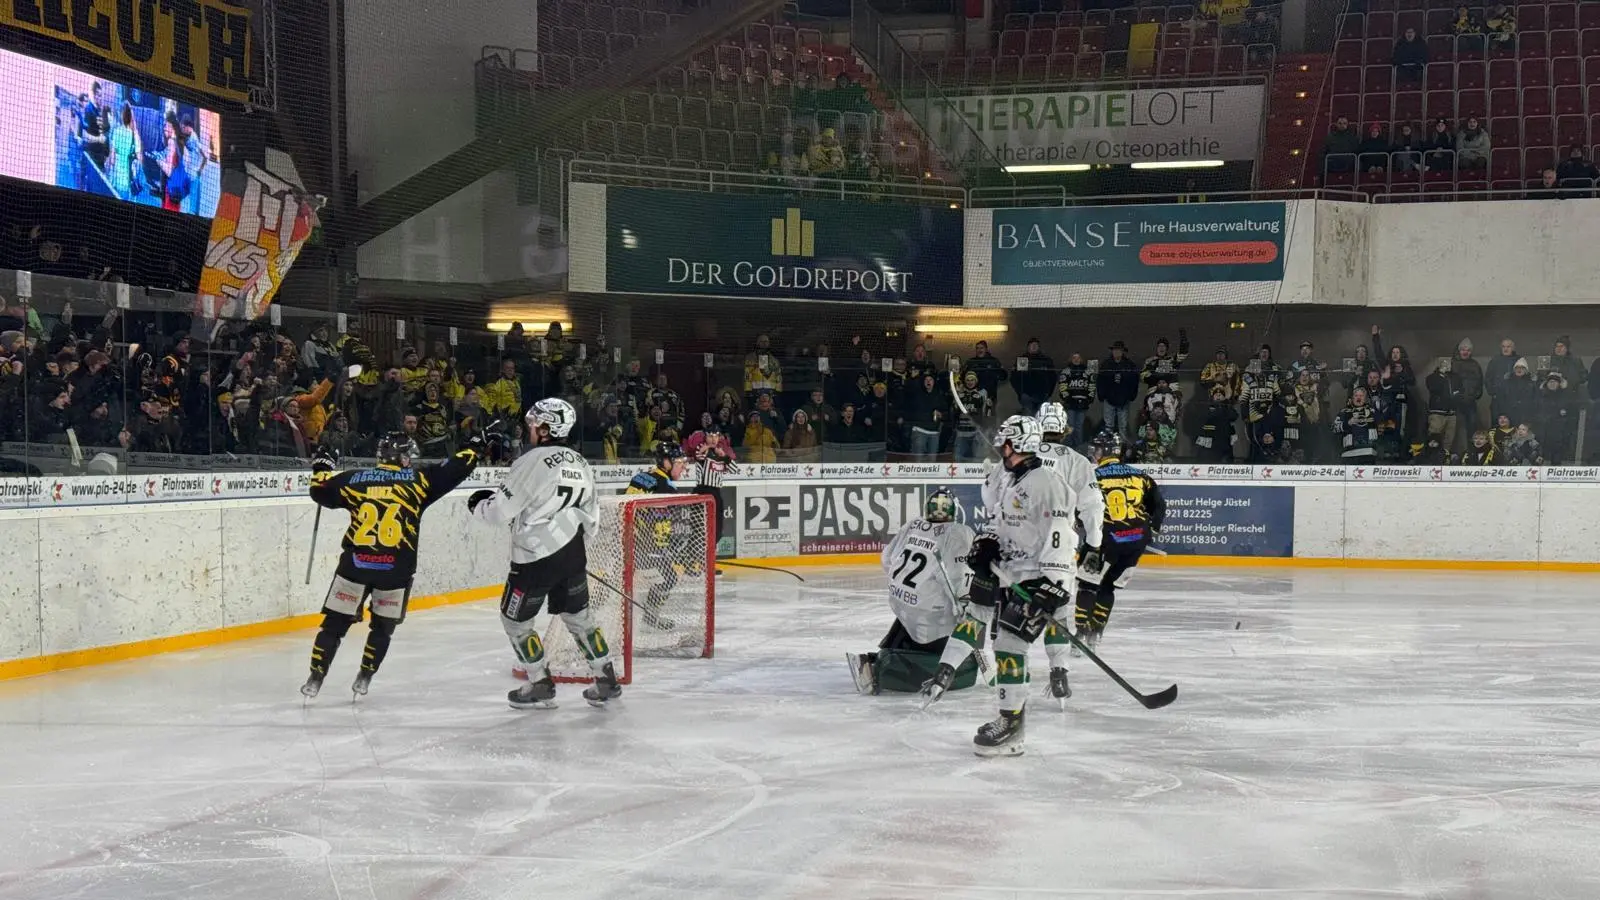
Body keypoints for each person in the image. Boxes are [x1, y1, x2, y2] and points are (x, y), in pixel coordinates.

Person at [300, 432, 481, 699]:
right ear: (405, 457)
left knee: (334, 625)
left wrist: (322, 466)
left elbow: (319, 492)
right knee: (382, 628)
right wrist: (473, 447)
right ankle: (364, 677)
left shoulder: (354, 479)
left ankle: (315, 678)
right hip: (396, 569)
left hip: (355, 565)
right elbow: (457, 467)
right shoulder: (419, 482)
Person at [467, 398, 620, 710]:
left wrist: (477, 504)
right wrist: (570, 550)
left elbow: (500, 512)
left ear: (548, 427)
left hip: (535, 559)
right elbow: (591, 514)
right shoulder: (580, 461)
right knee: (579, 618)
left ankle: (539, 682)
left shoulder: (532, 460)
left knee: (515, 620)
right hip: (574, 552)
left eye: (535, 424)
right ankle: (606, 678)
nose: (531, 429)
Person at [962, 416, 1093, 756]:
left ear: (1015, 446)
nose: (1000, 449)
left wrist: (1053, 586)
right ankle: (1012, 722)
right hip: (1014, 576)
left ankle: (1011, 723)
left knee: (1008, 645)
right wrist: (987, 544)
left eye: (1004, 443)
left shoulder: (1046, 483)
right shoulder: (1012, 480)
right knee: (1008, 647)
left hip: (1039, 578)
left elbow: (1061, 535)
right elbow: (1000, 522)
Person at [846, 489, 984, 696]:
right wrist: (966, 602)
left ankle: (888, 650)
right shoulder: (959, 532)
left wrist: (907, 587)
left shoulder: (913, 525)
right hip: (930, 611)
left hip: (899, 599)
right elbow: (959, 573)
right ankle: (886, 666)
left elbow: (887, 559)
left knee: (916, 611)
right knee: (964, 636)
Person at [1064, 431, 1166, 683]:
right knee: (1108, 586)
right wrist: (1152, 529)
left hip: (1106, 537)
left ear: (1105, 451)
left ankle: (1080, 634)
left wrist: (1078, 522)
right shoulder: (1140, 475)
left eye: (1097, 449)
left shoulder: (1093, 475)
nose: (1094, 453)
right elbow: (1159, 505)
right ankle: (1096, 633)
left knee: (1088, 584)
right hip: (1135, 540)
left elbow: (1081, 505)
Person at [626, 441, 691, 628]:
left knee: (620, 579)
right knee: (668, 577)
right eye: (680, 463)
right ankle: (650, 615)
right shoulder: (665, 487)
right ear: (666, 462)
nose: (683, 467)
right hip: (642, 545)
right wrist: (670, 549)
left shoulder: (642, 476)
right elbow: (657, 524)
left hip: (625, 538)